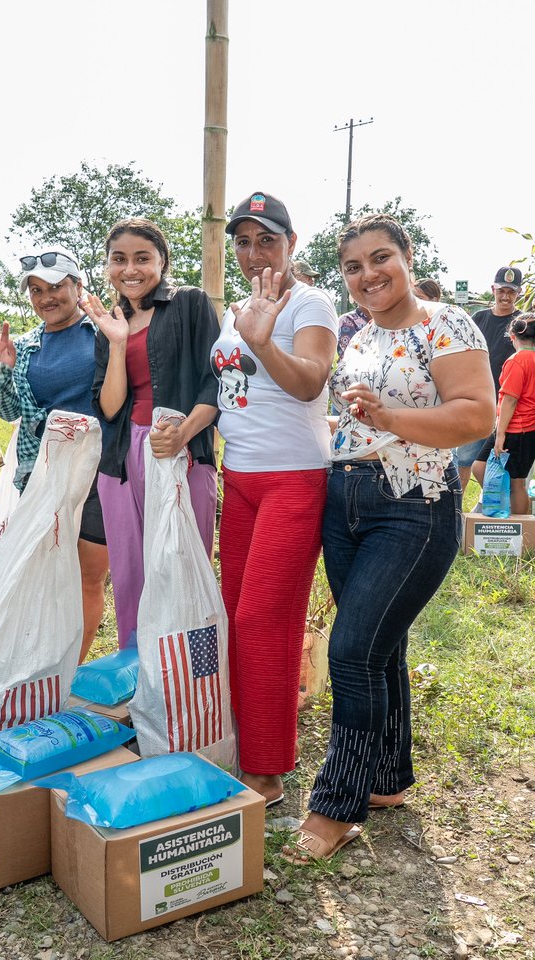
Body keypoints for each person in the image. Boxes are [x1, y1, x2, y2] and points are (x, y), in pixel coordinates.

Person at [286, 215, 493, 863]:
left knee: (350, 651)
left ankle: (334, 808)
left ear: (407, 257)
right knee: (379, 647)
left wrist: (389, 416)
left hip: (413, 503)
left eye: (381, 259)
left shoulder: (446, 321)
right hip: (345, 498)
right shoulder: (361, 335)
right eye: (354, 267)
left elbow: (475, 414)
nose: (368, 274)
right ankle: (386, 780)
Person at [212, 192, 338, 806]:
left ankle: (266, 770)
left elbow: (312, 380)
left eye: (267, 239)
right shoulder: (233, 307)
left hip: (293, 479)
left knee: (267, 618)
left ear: (291, 244)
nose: (254, 251)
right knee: (234, 612)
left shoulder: (311, 302)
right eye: (243, 240)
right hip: (238, 479)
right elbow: (227, 388)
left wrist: (263, 341)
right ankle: (243, 736)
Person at [86, 218, 220, 650]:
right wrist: (119, 343)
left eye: (143, 258)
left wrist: (183, 434)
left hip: (180, 453)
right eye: (119, 259)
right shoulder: (110, 324)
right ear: (107, 265)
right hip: (122, 461)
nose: (131, 269)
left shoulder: (189, 303)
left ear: (163, 261)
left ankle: (188, 684)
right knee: (131, 573)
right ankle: (136, 675)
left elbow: (216, 380)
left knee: (184, 565)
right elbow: (109, 407)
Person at [0, 248, 110, 662]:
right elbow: (8, 411)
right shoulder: (27, 345)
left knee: (87, 578)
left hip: (98, 472)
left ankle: (70, 668)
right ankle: (41, 664)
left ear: (77, 286)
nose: (46, 298)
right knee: (42, 575)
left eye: (55, 287)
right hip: (43, 474)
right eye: (36, 291)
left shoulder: (103, 334)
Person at [454, 266, 524, 492]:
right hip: (476, 401)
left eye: (511, 292)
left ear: (519, 293)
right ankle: (456, 511)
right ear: (492, 289)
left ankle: (494, 512)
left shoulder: (522, 323)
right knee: (463, 459)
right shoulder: (478, 318)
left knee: (499, 461)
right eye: (501, 290)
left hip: (508, 405)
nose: (505, 296)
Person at [494, 313, 535, 516]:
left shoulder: (518, 360)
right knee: (481, 467)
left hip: (519, 428)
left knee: (517, 484)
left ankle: (520, 533)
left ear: (512, 334)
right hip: (531, 426)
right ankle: (506, 515)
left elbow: (510, 399)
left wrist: (500, 435)